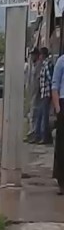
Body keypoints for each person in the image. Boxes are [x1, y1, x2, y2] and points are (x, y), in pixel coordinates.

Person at [50, 51, 64, 194]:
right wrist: (58, 108)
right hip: (63, 103)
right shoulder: (61, 61)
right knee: (62, 145)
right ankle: (62, 181)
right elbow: (55, 86)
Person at [33, 47, 53, 144]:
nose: (39, 57)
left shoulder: (46, 65)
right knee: (40, 115)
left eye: (40, 55)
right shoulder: (43, 65)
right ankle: (38, 135)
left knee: (44, 116)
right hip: (43, 93)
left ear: (43, 55)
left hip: (46, 93)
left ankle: (44, 137)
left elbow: (50, 78)